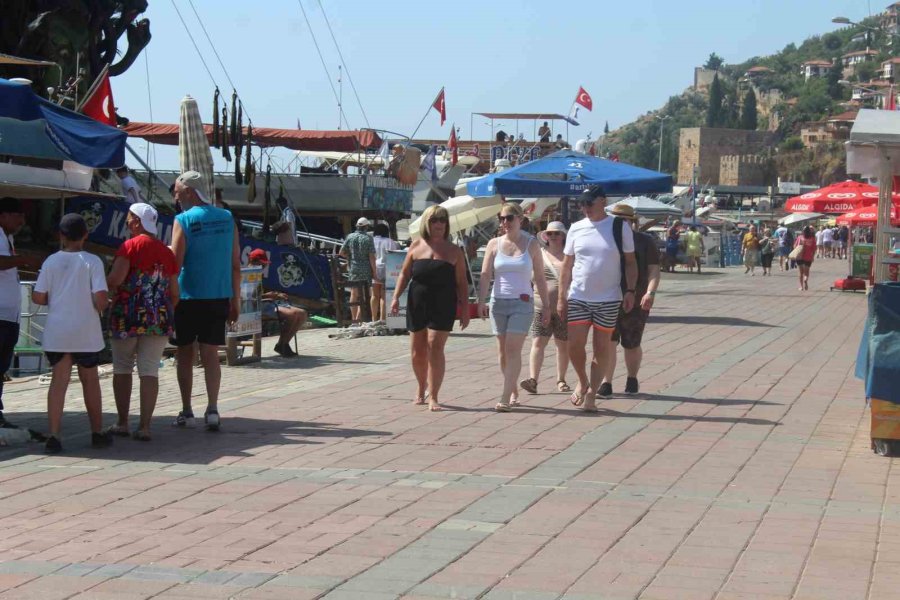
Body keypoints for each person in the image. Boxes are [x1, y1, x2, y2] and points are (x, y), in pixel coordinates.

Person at [31, 214, 111, 454]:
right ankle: (97, 432)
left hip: (58, 331)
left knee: (58, 382)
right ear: (85, 234)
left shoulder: (51, 261)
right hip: (86, 331)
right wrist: (103, 304)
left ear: (61, 236)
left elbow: (38, 297)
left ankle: (54, 435)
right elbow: (100, 298)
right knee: (90, 381)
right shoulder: (93, 261)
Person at [171, 170, 241, 432]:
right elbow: (235, 264)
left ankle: (187, 410)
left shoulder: (183, 219)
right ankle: (212, 409)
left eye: (178, 193)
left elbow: (175, 264)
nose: (176, 198)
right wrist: (236, 300)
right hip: (219, 294)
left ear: (189, 192)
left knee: (185, 353)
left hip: (187, 296)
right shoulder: (227, 218)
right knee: (211, 353)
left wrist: (170, 297)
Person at [557, 186, 637, 412]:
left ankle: (592, 393)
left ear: (603, 201)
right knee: (574, 346)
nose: (585, 208)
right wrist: (561, 297)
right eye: (582, 204)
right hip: (579, 296)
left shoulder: (619, 226)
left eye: (589, 203)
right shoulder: (576, 228)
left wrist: (631, 290)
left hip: (609, 298)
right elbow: (567, 266)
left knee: (602, 348)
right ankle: (582, 381)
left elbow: (631, 262)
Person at [106, 203, 179, 441]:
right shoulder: (167, 252)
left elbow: (115, 279)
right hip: (158, 318)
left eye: (129, 218)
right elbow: (175, 293)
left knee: (122, 367)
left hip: (127, 317)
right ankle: (145, 426)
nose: (127, 222)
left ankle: (122, 422)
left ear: (137, 221)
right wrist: (161, 311)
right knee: (149, 370)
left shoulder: (129, 246)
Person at [390, 205, 469, 411]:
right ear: (427, 223)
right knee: (417, 351)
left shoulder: (454, 251)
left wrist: (465, 308)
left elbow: (462, 282)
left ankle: (434, 396)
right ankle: (421, 386)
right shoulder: (416, 246)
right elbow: (404, 274)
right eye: (434, 220)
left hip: (444, 302)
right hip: (417, 301)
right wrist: (395, 297)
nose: (439, 224)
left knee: (435, 346)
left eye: (442, 220)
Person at [479, 203, 550, 412]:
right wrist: (481, 301)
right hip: (498, 302)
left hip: (522, 302)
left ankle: (504, 397)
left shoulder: (531, 244)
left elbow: (540, 277)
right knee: (502, 351)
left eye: (509, 218)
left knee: (512, 348)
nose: (505, 222)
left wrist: (547, 306)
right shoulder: (494, 244)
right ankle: (512, 389)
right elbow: (485, 275)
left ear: (520, 219)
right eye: (501, 218)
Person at [601, 204, 660, 395]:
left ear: (631, 222)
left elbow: (654, 269)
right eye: (616, 221)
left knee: (632, 342)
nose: (620, 224)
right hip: (608, 298)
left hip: (636, 299)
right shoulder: (606, 240)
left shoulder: (644, 241)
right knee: (608, 341)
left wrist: (650, 292)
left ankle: (632, 378)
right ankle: (606, 382)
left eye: (623, 220)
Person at [0, 198, 41, 429]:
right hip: (1, 315)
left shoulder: (8, 237)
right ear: (3, 215)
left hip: (10, 315)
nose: (22, 221)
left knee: (2, 366)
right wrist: (23, 259)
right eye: (18, 215)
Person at [520, 221, 570, 395]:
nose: (553, 236)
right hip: (540, 306)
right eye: (550, 233)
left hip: (564, 307)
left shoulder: (570, 255)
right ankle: (533, 380)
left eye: (557, 233)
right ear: (545, 236)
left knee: (562, 344)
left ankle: (561, 380)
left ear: (563, 236)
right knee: (538, 342)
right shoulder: (539, 254)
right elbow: (528, 278)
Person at [247, 249, 307, 357]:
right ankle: (283, 344)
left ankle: (283, 343)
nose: (263, 266)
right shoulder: (246, 275)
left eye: (264, 264)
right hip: (255, 307)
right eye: (261, 264)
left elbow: (259, 294)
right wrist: (270, 296)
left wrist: (274, 295)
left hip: (265, 303)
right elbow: (250, 298)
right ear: (253, 261)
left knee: (302, 313)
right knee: (292, 314)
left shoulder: (258, 274)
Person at [340, 217, 377, 323]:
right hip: (365, 269)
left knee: (354, 293)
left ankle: (353, 320)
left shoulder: (350, 236)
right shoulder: (368, 238)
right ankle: (358, 319)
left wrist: (350, 257)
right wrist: (374, 272)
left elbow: (341, 252)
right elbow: (371, 257)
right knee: (364, 295)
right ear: (366, 227)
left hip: (353, 268)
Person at [372, 223, 399, 322]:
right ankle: (382, 319)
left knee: (374, 295)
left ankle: (373, 318)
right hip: (386, 268)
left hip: (374, 268)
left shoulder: (371, 241)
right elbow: (395, 255)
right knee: (383, 296)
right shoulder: (389, 241)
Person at [794, 225, 817, 291]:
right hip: (808, 257)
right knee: (806, 272)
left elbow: (795, 246)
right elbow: (814, 249)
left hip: (799, 257)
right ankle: (805, 279)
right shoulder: (812, 239)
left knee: (801, 273)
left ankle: (801, 287)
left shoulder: (799, 237)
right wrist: (812, 257)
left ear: (803, 231)